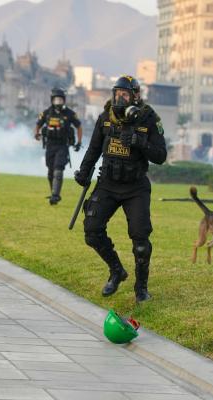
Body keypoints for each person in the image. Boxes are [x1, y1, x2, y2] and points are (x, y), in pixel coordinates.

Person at [74, 75, 167, 302]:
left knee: (141, 241)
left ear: (136, 95)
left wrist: (139, 141)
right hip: (107, 183)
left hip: (136, 187)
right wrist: (84, 172)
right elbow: (94, 148)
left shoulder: (149, 118)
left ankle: (141, 289)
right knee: (92, 231)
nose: (120, 97)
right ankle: (116, 270)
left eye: (125, 94)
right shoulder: (106, 117)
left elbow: (161, 156)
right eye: (117, 93)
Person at [35, 88, 82, 205]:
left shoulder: (70, 114)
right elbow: (38, 124)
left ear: (64, 100)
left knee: (58, 169)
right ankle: (53, 193)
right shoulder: (46, 113)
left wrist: (79, 141)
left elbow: (79, 126)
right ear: (52, 100)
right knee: (51, 171)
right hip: (50, 145)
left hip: (62, 145)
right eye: (56, 99)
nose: (58, 102)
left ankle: (56, 195)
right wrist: (36, 133)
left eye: (60, 99)